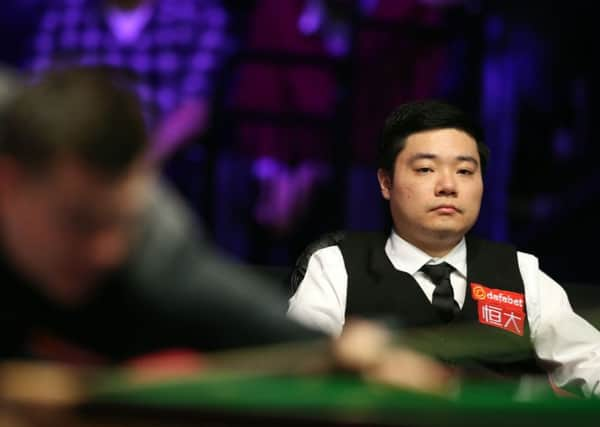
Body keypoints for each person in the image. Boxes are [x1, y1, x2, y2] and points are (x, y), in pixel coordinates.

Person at [0, 67, 454, 396]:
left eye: (120, 221)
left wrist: (340, 352)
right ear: (9, 183)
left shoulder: (153, 258)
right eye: (77, 221)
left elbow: (257, 323)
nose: (105, 250)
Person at [287, 99, 600, 397]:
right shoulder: (335, 265)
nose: (448, 186)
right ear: (386, 182)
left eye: (465, 171)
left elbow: (591, 362)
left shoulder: (520, 271)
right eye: (425, 169)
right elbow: (297, 363)